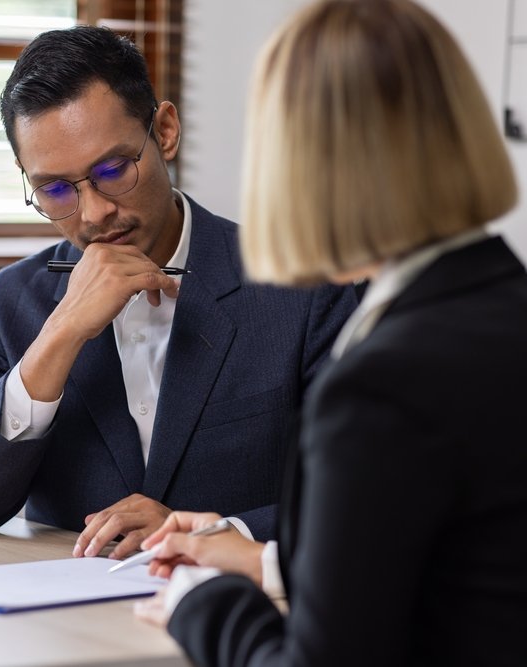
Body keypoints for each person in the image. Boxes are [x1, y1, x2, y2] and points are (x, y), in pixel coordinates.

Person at [135, 1, 527, 665]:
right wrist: (274, 560)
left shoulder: (381, 385)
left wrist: (202, 604)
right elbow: (473, 556)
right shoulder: (504, 306)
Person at [0, 25, 357, 558]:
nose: (94, 212)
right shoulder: (11, 300)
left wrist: (205, 532)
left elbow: (365, 493)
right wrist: (59, 335)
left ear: (166, 131)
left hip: (242, 612)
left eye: (112, 170)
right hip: (67, 625)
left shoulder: (304, 286)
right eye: (55, 189)